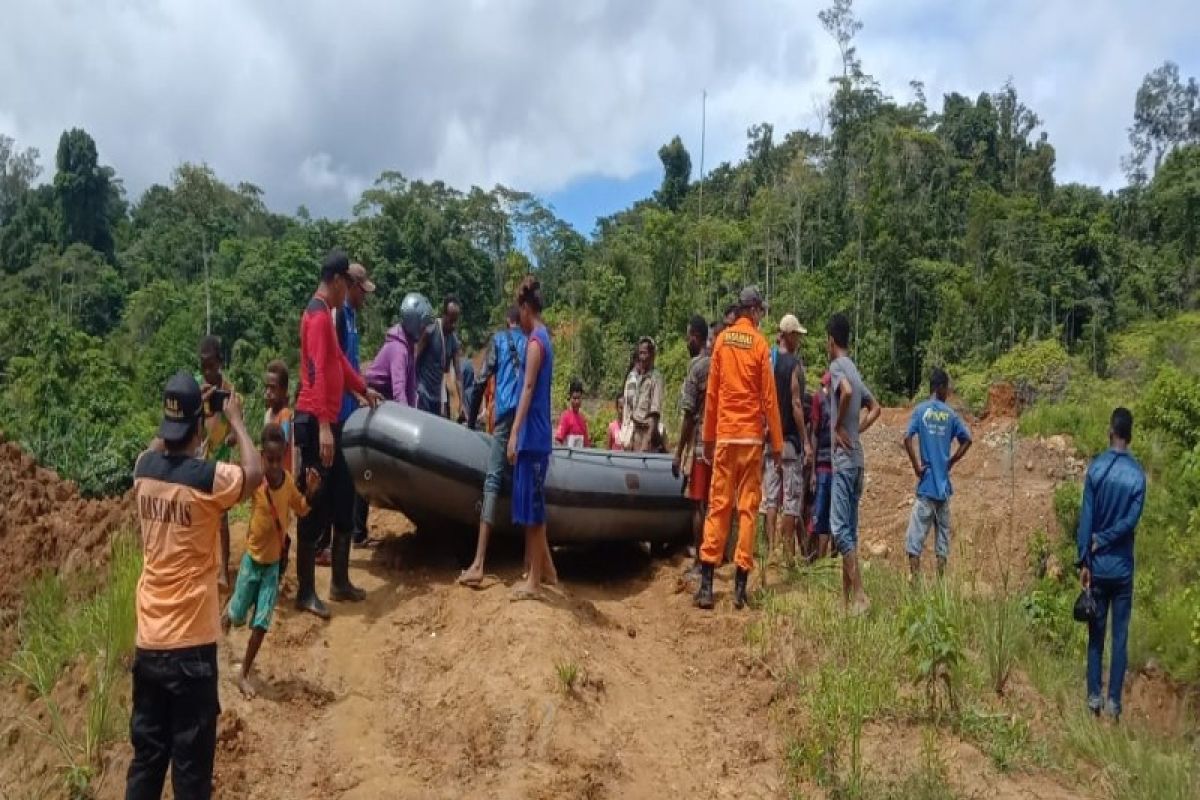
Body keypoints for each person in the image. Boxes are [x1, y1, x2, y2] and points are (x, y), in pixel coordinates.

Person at [126, 371, 261, 800]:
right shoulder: (207, 479)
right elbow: (254, 474)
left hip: (149, 642)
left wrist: (180, 416)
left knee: (146, 762)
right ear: (198, 427)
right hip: (191, 650)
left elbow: (156, 448)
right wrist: (235, 420)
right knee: (190, 773)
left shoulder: (142, 472)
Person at [293, 249, 381, 619]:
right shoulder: (315, 318)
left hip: (331, 421)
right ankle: (306, 591)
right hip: (316, 424)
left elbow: (338, 364)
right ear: (338, 281)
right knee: (314, 501)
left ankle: (340, 582)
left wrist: (362, 387)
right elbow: (313, 374)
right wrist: (326, 427)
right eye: (348, 284)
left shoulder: (328, 318)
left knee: (345, 493)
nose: (349, 293)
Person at [695, 287, 784, 611]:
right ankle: (740, 589)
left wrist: (707, 438)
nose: (762, 316)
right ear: (754, 310)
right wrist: (776, 444)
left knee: (718, 506)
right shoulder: (760, 345)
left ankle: (706, 585)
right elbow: (769, 400)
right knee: (748, 511)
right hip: (750, 441)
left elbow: (713, 395)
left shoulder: (721, 342)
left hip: (725, 437)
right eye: (761, 311)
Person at [223, 423, 320, 698]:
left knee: (261, 623)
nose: (275, 466)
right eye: (270, 460)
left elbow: (301, 509)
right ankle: (222, 632)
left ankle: (243, 672)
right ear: (262, 457)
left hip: (272, 566)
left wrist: (311, 492)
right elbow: (235, 494)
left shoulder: (288, 482)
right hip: (251, 561)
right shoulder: (256, 484)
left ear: (284, 456)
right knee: (237, 614)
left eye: (279, 460)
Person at [1077, 407, 1145, 723]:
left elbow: (1086, 521)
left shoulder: (1096, 469)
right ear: (1129, 435)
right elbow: (1131, 522)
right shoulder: (1137, 476)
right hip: (1122, 572)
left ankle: (1093, 699)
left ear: (1110, 431)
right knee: (1120, 639)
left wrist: (1085, 559)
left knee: (1095, 636)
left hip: (1099, 568)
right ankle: (1114, 705)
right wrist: (1108, 538)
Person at [459, 306, 527, 587]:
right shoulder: (532, 341)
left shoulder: (499, 341)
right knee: (524, 479)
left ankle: (479, 563)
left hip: (506, 417)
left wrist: (471, 421)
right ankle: (528, 560)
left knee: (492, 480)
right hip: (527, 419)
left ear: (506, 321)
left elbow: (480, 380)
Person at [827, 313, 882, 615]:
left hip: (844, 462)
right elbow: (876, 408)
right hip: (858, 460)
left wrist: (838, 427)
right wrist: (856, 430)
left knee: (838, 529)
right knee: (849, 530)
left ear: (831, 341)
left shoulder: (837, 368)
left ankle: (859, 595)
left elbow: (846, 392)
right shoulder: (855, 370)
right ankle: (845, 603)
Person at [508, 276, 558, 601]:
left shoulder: (536, 342)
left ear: (527, 310)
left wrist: (513, 431)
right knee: (529, 506)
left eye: (519, 313)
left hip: (534, 434)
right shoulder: (543, 338)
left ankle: (535, 583)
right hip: (535, 434)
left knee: (535, 511)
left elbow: (527, 388)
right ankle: (547, 572)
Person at [903, 368, 973, 581]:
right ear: (940, 388)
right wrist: (950, 461)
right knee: (941, 545)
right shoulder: (950, 415)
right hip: (943, 490)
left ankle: (915, 589)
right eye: (947, 389)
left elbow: (907, 438)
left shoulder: (921, 411)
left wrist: (916, 466)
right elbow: (967, 440)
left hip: (926, 488)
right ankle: (940, 588)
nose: (948, 393)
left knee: (914, 544)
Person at [759, 314, 812, 566]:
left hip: (770, 440)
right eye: (797, 335)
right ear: (789, 335)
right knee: (791, 499)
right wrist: (806, 440)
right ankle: (788, 556)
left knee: (771, 497)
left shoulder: (768, 360)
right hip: (789, 441)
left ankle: (770, 551)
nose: (799, 340)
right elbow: (796, 403)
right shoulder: (792, 365)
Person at [333, 262, 376, 549]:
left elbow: (352, 364)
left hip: (350, 407)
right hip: (337, 410)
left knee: (349, 481)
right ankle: (329, 542)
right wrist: (357, 391)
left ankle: (345, 548)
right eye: (362, 291)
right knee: (337, 481)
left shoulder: (352, 318)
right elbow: (336, 364)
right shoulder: (338, 317)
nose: (365, 297)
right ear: (351, 286)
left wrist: (361, 393)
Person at [198, 335, 237, 590]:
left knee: (221, 520)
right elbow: (194, 430)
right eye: (204, 367)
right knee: (202, 519)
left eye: (212, 366)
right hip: (201, 462)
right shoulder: (198, 392)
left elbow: (237, 426)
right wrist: (199, 406)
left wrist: (234, 435)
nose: (208, 372)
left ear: (220, 363)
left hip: (221, 464)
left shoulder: (230, 392)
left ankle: (223, 570)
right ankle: (205, 567)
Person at [673, 315, 711, 577]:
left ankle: (701, 561)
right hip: (720, 445)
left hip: (700, 445)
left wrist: (678, 453)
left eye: (688, 336)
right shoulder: (719, 363)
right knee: (714, 504)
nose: (687, 341)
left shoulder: (696, 368)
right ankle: (713, 556)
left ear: (695, 337)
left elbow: (688, 415)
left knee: (697, 504)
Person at [367, 292, 433, 407]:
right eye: (423, 324)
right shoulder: (399, 349)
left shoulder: (409, 345)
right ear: (415, 323)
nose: (425, 329)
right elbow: (399, 392)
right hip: (373, 398)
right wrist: (407, 420)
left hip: (386, 398)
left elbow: (411, 388)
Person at [263, 360, 295, 581]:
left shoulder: (285, 416)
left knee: (278, 525)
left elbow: (283, 448)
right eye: (267, 387)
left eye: (273, 388)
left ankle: (279, 562)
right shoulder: (268, 415)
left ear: (284, 391)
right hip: (268, 482)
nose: (268, 392)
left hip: (281, 482)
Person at [416, 296, 462, 417]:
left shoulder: (454, 342)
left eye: (456, 321)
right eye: (451, 321)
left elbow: (458, 375)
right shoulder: (430, 331)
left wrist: (463, 403)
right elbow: (414, 358)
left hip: (437, 397)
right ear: (444, 315)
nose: (453, 325)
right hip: (422, 393)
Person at [621, 336, 664, 452]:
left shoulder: (656, 378)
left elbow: (654, 414)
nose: (642, 357)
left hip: (646, 435)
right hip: (636, 432)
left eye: (644, 353)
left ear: (652, 355)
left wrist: (647, 441)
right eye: (640, 353)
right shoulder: (639, 377)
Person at [809, 372, 835, 559]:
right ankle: (820, 559)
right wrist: (812, 471)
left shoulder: (840, 400)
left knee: (833, 515)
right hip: (823, 466)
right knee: (820, 514)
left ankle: (830, 560)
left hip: (836, 466)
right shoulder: (820, 399)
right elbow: (815, 434)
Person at [555, 378, 590, 447]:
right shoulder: (565, 417)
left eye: (579, 398)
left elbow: (586, 445)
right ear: (570, 398)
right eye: (574, 398)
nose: (576, 402)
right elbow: (558, 441)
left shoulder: (583, 419)